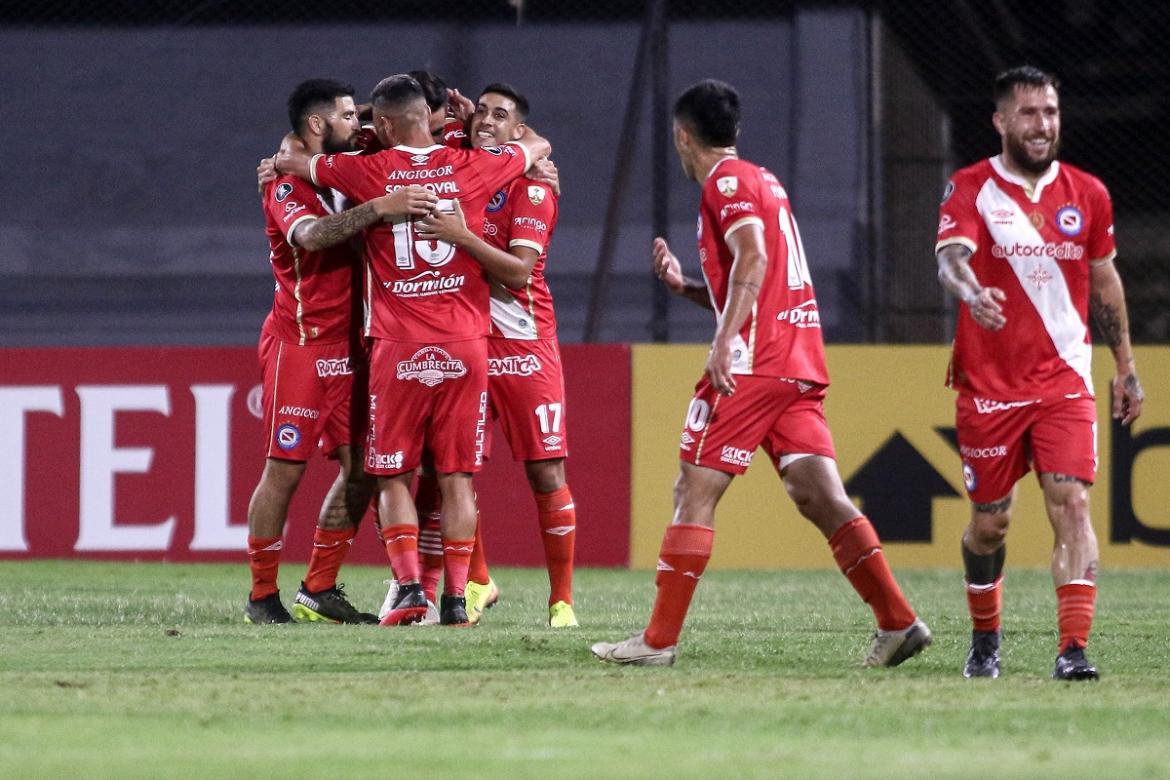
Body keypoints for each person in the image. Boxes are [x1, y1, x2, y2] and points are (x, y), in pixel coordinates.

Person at [591, 79, 931, 666]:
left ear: (682, 136)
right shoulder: (762, 180)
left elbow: (754, 257)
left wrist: (723, 343)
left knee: (692, 488)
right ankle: (899, 622)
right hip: (795, 363)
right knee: (819, 495)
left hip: (754, 364)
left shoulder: (725, 183)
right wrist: (689, 289)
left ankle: (657, 642)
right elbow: (758, 283)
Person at [275, 74, 550, 627]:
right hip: (466, 343)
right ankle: (454, 596)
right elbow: (536, 147)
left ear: (384, 124)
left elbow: (297, 162)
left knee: (393, 475)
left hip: (396, 347)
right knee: (457, 479)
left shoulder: (365, 171)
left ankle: (406, 590)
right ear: (428, 116)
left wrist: (280, 161)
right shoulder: (472, 164)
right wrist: (486, 132)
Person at [935, 65, 1143, 680]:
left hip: (1065, 380)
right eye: (1028, 113)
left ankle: (1072, 650)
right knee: (990, 524)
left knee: (1071, 503)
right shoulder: (970, 187)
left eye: (1050, 112)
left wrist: (1125, 365)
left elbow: (1103, 278)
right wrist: (971, 293)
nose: (1042, 124)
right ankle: (984, 638)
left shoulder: (1088, 193)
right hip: (990, 384)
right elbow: (950, 259)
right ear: (1001, 121)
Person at [246, 78, 437, 624]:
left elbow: (418, 134)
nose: (363, 125)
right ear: (316, 125)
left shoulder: (347, 163)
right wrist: (379, 207)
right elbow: (310, 237)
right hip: (301, 344)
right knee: (285, 468)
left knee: (365, 469)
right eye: (351, 116)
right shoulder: (285, 183)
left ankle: (319, 588)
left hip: (354, 348)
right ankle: (261, 596)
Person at [413, 83, 578, 628]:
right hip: (467, 343)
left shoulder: (531, 188)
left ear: (519, 132)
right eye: (479, 111)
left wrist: (460, 237)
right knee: (448, 467)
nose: (485, 120)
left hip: (525, 346)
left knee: (545, 474)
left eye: (499, 115)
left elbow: (518, 272)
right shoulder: (461, 162)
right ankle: (478, 582)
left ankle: (562, 602)